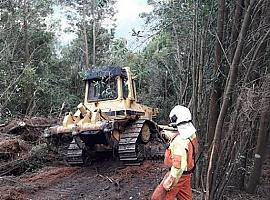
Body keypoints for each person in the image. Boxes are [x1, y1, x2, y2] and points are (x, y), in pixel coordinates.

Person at [151, 105, 198, 200]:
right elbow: (180, 135)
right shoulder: (191, 134)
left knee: (157, 198)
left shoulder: (179, 143)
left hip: (177, 176)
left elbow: (178, 167)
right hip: (187, 174)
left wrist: (168, 183)